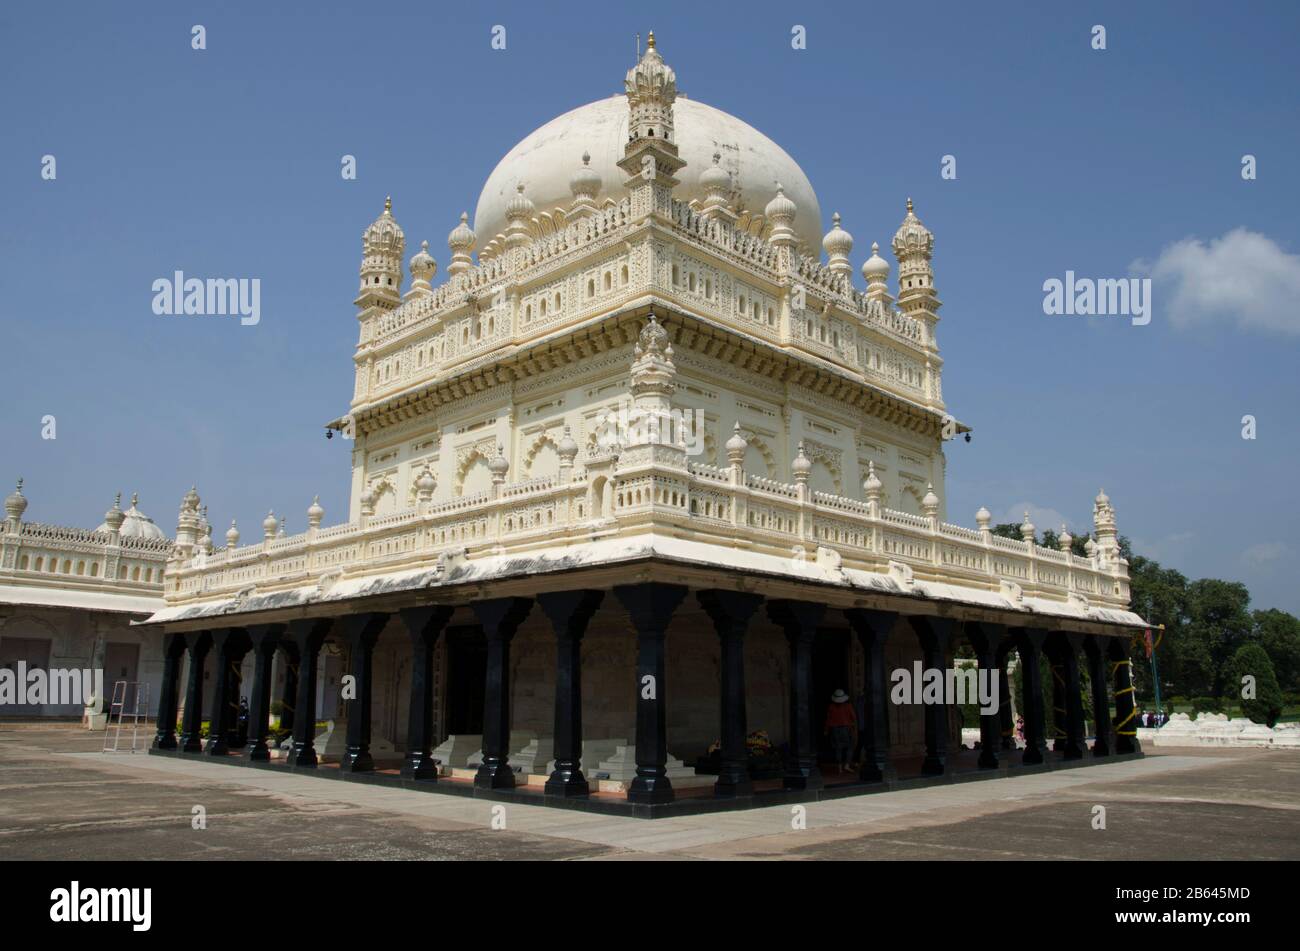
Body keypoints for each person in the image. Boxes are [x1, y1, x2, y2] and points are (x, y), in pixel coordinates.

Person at [824, 689, 857, 775]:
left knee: (838, 749)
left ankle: (840, 768)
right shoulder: (848, 706)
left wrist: (826, 730)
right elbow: (853, 718)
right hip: (846, 729)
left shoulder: (831, 707)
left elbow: (828, 719)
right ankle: (847, 764)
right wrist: (853, 727)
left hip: (834, 730)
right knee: (850, 746)